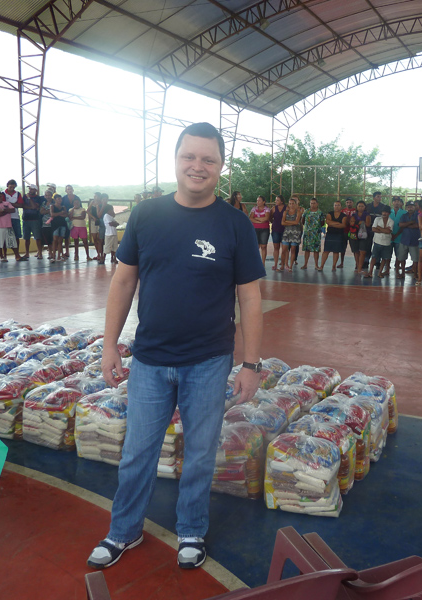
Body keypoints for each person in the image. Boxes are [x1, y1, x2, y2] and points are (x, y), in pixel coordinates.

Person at [87, 122, 265, 571]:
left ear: (220, 167)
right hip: (149, 358)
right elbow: (124, 280)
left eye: (208, 159)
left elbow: (250, 295)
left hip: (208, 360)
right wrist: (110, 344)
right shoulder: (147, 216)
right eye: (190, 156)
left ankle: (191, 530)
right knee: (138, 452)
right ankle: (123, 531)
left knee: (200, 453)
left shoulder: (234, 224)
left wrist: (251, 364)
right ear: (176, 160)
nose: (197, 166)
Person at [319, 200, 348, 271]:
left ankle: (334, 266)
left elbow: (343, 225)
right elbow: (328, 222)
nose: (337, 206)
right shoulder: (330, 213)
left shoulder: (344, 216)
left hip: (339, 235)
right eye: (335, 205)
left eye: (338, 205)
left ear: (341, 206)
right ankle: (321, 266)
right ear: (333, 206)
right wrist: (338, 223)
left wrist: (333, 224)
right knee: (326, 251)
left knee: (336, 251)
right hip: (330, 234)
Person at [366, 206, 394, 278]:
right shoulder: (377, 219)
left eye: (386, 212)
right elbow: (373, 229)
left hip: (386, 242)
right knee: (374, 257)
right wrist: (384, 230)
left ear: (389, 213)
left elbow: (388, 231)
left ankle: (380, 272)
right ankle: (370, 272)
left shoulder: (391, 221)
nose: (384, 213)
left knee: (384, 258)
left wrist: (379, 228)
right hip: (377, 241)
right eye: (383, 212)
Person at [0, 191, 17, 262]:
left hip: (8, 225)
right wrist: (7, 211)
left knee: (7, 242)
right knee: (0, 242)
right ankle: (1, 257)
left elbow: (13, 209)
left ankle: (5, 255)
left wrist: (3, 210)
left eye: (0, 196)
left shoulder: (7, 203)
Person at [396, 201, 420, 279]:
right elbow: (400, 225)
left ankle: (415, 274)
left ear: (414, 207)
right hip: (404, 240)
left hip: (414, 241)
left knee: (415, 259)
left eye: (412, 206)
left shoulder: (418, 215)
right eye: (408, 207)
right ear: (406, 208)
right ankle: (402, 273)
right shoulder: (404, 215)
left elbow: (417, 225)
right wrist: (410, 223)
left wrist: (406, 225)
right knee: (402, 258)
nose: (410, 208)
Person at [3, 179, 26, 260]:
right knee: (5, 237)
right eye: (10, 186)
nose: (12, 188)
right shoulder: (3, 193)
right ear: (7, 185)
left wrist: (8, 204)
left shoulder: (17, 194)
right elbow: (2, 204)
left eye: (13, 187)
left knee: (16, 236)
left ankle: (17, 254)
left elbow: (20, 204)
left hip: (15, 217)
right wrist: (14, 205)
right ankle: (4, 255)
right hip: (5, 218)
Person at [280, 196, 304, 272]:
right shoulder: (285, 212)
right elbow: (282, 222)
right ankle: (283, 265)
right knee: (284, 250)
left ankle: (290, 266)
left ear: (295, 204)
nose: (291, 205)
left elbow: (296, 222)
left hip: (295, 233)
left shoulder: (298, 212)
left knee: (293, 250)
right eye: (290, 203)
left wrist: (287, 222)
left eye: (293, 203)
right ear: (288, 204)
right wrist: (291, 223)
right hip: (287, 232)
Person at [300, 197, 324, 270]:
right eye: (311, 203)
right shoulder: (306, 211)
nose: (312, 205)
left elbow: (322, 222)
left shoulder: (320, 212)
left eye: (314, 203)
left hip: (316, 234)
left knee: (316, 250)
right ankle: (305, 264)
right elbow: (302, 221)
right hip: (308, 233)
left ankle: (316, 265)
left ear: (317, 204)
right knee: (307, 250)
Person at [348, 201, 371, 273]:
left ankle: (360, 268)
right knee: (356, 251)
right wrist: (360, 222)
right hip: (354, 235)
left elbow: (368, 224)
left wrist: (356, 223)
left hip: (364, 235)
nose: (361, 208)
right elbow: (351, 223)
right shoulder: (354, 215)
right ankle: (358, 266)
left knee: (363, 251)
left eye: (362, 206)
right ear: (357, 207)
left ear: (365, 207)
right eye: (359, 206)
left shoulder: (367, 215)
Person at [22, 184, 43, 258]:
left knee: (38, 237)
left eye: (32, 189)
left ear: (35, 190)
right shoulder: (24, 197)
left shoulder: (38, 198)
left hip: (35, 219)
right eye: (30, 189)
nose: (30, 190)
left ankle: (40, 253)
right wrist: (31, 207)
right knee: (26, 237)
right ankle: (27, 253)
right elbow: (22, 205)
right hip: (26, 219)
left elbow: (35, 206)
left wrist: (29, 199)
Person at [249, 195, 272, 264]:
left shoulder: (267, 209)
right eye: (257, 200)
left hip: (264, 229)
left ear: (264, 202)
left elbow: (266, 218)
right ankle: (256, 262)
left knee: (263, 246)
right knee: (256, 246)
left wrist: (255, 219)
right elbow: (250, 218)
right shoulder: (254, 208)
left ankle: (263, 262)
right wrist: (260, 220)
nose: (258, 202)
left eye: (259, 200)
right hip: (255, 229)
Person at [389, 196, 407, 276]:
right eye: (395, 201)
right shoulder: (389, 212)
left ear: (401, 203)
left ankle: (397, 268)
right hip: (389, 236)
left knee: (399, 254)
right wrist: (391, 234)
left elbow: (404, 226)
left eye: (398, 201)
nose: (396, 202)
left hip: (400, 237)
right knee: (387, 254)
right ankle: (387, 268)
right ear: (392, 203)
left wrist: (396, 234)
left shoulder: (404, 213)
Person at [97, 193, 116, 265]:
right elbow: (98, 215)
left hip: (109, 226)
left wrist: (110, 212)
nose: (105, 201)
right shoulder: (99, 206)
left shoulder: (110, 206)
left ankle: (112, 257)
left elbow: (113, 215)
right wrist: (103, 207)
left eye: (106, 199)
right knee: (101, 241)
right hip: (102, 225)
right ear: (101, 200)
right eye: (103, 199)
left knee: (111, 241)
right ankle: (101, 255)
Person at [49, 194, 69, 263]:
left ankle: (59, 256)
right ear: (55, 200)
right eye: (58, 199)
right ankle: (53, 256)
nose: (60, 200)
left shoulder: (63, 207)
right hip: (55, 225)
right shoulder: (52, 206)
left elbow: (66, 215)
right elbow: (52, 214)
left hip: (63, 224)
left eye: (60, 199)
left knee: (60, 240)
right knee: (55, 240)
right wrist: (61, 213)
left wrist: (57, 214)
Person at [270, 195, 286, 271]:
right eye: (276, 200)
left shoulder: (287, 208)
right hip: (275, 229)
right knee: (276, 247)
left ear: (282, 201)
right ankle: (275, 264)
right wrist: (273, 222)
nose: (276, 201)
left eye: (277, 200)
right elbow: (270, 217)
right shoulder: (273, 208)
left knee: (284, 249)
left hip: (285, 230)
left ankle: (283, 264)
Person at [339, 197, 356, 269]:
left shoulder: (356, 211)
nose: (349, 204)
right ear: (345, 203)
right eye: (347, 202)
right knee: (343, 248)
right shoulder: (342, 211)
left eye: (350, 202)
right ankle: (341, 263)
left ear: (353, 203)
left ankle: (357, 264)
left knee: (355, 248)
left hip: (353, 232)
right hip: (344, 231)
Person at [89, 192, 104, 261]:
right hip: (93, 221)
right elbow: (87, 211)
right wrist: (93, 217)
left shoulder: (101, 203)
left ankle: (101, 254)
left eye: (96, 196)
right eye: (94, 196)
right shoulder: (92, 202)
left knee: (100, 239)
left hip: (100, 221)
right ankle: (98, 253)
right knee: (94, 238)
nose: (95, 197)